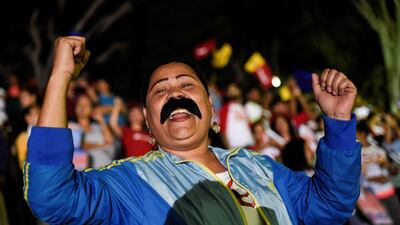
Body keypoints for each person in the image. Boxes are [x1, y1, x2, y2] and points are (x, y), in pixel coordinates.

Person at [25, 36, 360, 225]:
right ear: (148, 121)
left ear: (211, 108)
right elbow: (51, 198)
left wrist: (339, 125)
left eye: (187, 84)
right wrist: (60, 79)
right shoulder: (129, 183)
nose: (175, 94)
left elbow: (329, 205)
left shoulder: (258, 168)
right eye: (160, 90)